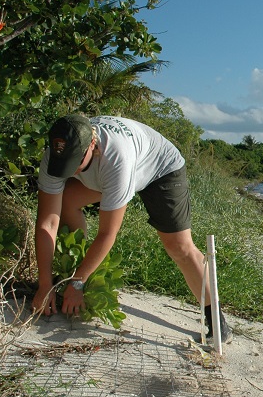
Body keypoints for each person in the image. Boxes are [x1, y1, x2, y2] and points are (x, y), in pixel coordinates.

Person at [31, 114, 231, 343]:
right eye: (64, 164)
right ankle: (75, 273)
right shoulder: (55, 155)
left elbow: (108, 233)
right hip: (110, 170)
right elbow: (48, 222)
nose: (71, 171)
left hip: (160, 168)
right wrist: (44, 284)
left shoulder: (117, 157)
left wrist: (78, 283)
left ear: (92, 146)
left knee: (179, 246)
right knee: (66, 202)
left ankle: (215, 318)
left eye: (75, 162)